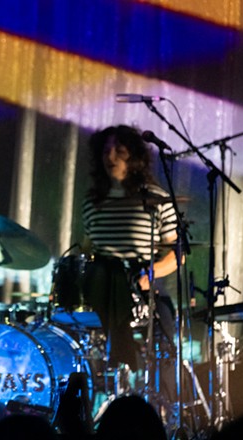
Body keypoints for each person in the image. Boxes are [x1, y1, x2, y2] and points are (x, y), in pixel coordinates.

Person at [78, 125, 180, 400]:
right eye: (106, 150)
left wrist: (151, 272)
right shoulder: (92, 202)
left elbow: (177, 255)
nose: (110, 156)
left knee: (167, 340)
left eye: (119, 150)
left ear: (133, 157)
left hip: (141, 288)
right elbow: (88, 250)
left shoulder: (156, 199)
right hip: (102, 286)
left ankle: (162, 405)